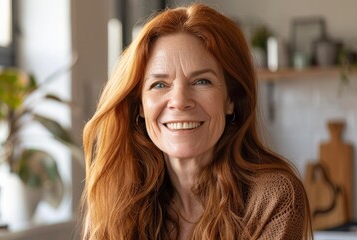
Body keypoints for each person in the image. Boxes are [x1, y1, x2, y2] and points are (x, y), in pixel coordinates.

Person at [81, 3, 312, 240]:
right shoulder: (112, 201)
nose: (179, 101)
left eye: (202, 81)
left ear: (230, 99)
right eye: (159, 84)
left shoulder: (273, 197)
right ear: (139, 106)